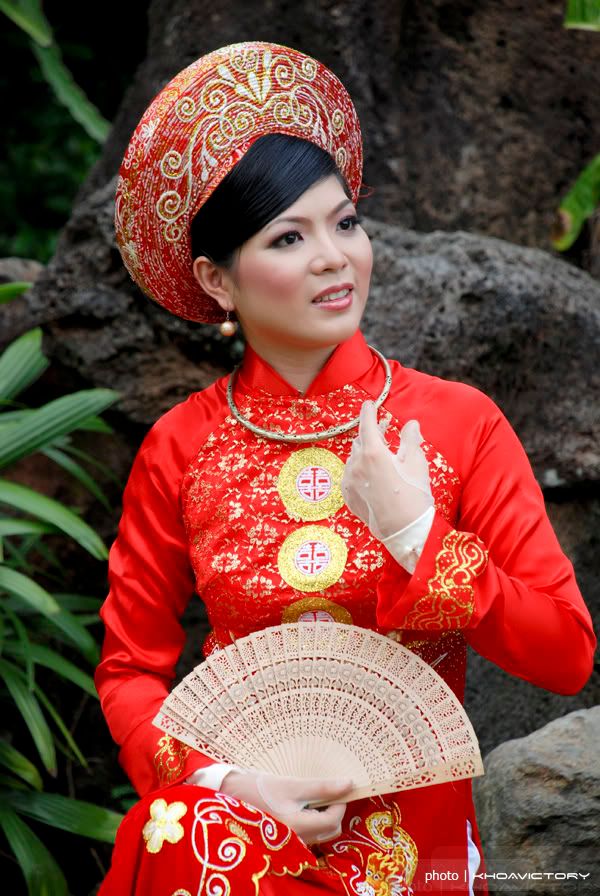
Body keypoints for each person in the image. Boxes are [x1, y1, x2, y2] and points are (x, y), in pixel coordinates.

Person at [96, 41, 596, 896]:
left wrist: (416, 534)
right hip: (240, 833)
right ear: (217, 281)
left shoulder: (458, 421)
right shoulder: (181, 445)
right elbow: (130, 670)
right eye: (289, 237)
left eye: (346, 222)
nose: (334, 256)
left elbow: (566, 654)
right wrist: (232, 784)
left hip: (417, 853)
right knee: (185, 829)